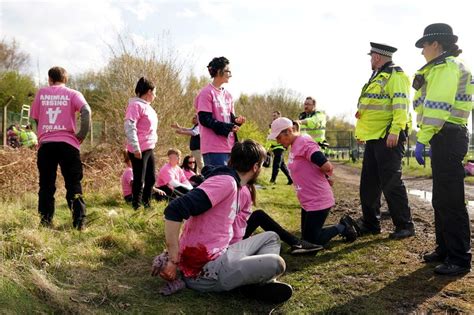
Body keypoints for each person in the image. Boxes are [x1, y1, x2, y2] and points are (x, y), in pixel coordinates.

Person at [154, 140, 293, 304]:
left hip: (221, 253)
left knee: (271, 237)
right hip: (204, 271)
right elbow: (174, 209)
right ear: (255, 167)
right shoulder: (226, 182)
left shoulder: (235, 184)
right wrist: (172, 259)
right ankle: (255, 285)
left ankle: (258, 284)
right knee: (277, 264)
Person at [413, 23, 472, 275]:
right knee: (441, 198)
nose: (422, 51)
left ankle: (458, 258)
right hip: (445, 135)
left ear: (436, 44)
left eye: (424, 45)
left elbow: (438, 107)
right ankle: (445, 249)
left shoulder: (446, 68)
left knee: (451, 200)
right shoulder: (441, 68)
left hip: (446, 134)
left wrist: (422, 138)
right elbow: (424, 104)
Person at [354, 42, 415, 239]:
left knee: (391, 182)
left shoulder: (396, 76)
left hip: (388, 136)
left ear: (377, 57)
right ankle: (371, 223)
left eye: (371, 56)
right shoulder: (378, 76)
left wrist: (395, 130)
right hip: (375, 136)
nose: (370, 59)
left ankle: (405, 226)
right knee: (369, 183)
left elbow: (401, 106)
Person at [268, 117, 358, 246]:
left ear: (288, 131)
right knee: (305, 239)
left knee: (312, 243)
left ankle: (343, 226)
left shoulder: (304, 142)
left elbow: (326, 166)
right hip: (308, 201)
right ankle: (333, 228)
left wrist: (327, 176)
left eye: (278, 137)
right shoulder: (294, 145)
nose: (277, 141)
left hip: (318, 200)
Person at [30, 66, 91, 229]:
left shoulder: (41, 93)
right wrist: (81, 135)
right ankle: (79, 223)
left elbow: (36, 118)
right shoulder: (73, 94)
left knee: (46, 185)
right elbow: (86, 111)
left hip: (47, 145)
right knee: (73, 184)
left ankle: (45, 222)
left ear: (50, 79)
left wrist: (42, 134)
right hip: (68, 144)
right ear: (66, 79)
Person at [231, 184, 323, 255]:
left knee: (258, 215)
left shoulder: (242, 187)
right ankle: (296, 243)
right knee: (259, 215)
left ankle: (296, 243)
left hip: (233, 238)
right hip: (230, 243)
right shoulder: (239, 189)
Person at [194, 56, 246, 166]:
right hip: (213, 148)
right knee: (218, 181)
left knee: (231, 181)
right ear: (218, 71)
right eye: (228, 71)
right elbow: (204, 119)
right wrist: (228, 127)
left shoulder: (228, 95)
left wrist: (236, 121)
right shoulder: (206, 93)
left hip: (230, 147)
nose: (230, 75)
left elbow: (229, 118)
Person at [124, 77, 158, 210]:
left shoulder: (147, 107)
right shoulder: (135, 105)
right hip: (139, 149)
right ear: (149, 91)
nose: (155, 95)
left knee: (151, 179)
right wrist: (135, 147)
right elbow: (129, 126)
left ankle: (147, 204)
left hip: (149, 148)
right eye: (155, 92)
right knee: (139, 179)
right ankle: (136, 207)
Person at [267, 111, 292, 185]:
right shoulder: (271, 126)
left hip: (280, 147)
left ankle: (272, 180)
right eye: (273, 116)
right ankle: (291, 179)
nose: (273, 117)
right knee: (282, 165)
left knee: (276, 164)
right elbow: (269, 139)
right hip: (274, 148)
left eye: (275, 115)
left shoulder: (283, 126)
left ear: (279, 116)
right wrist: (267, 148)